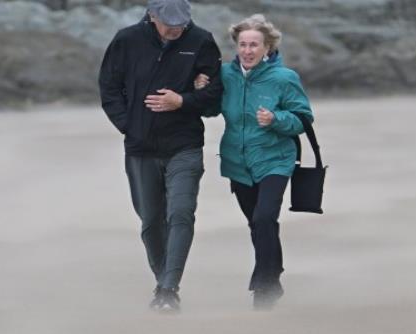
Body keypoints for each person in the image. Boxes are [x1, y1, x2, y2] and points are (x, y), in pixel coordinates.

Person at [98, 0, 223, 313]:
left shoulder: (201, 41)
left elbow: (214, 99)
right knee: (151, 221)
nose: (176, 28)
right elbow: (109, 88)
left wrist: (184, 100)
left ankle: (169, 289)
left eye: (181, 22)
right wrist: (130, 126)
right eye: (169, 22)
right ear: (151, 15)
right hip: (141, 148)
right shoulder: (126, 40)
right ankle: (162, 282)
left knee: (180, 213)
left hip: (185, 145)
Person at [195, 14, 314, 310]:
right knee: (257, 224)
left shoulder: (284, 78)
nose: (248, 50)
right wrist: (200, 89)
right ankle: (273, 279)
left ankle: (264, 286)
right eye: (243, 44)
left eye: (254, 45)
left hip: (275, 160)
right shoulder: (225, 75)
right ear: (237, 46)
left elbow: (303, 119)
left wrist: (276, 119)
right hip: (238, 162)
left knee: (264, 218)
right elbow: (210, 109)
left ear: (268, 47)